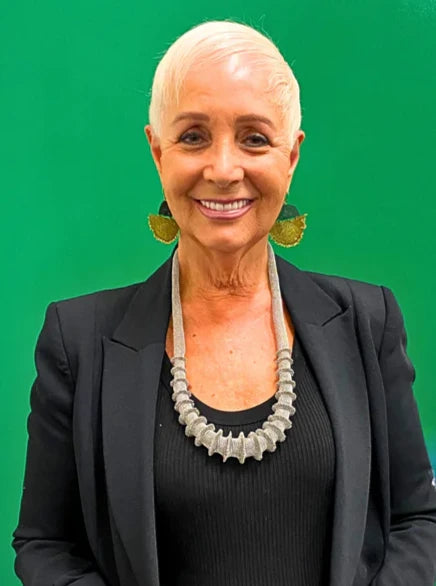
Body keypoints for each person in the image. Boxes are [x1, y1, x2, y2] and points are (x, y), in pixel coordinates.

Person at [12, 19, 436, 586]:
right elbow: (46, 545)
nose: (223, 169)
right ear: (157, 152)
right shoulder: (78, 343)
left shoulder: (367, 322)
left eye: (254, 138)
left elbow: (417, 519)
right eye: (193, 137)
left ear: (291, 156)